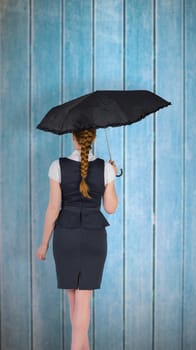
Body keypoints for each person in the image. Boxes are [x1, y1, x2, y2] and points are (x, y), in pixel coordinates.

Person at [36, 129, 118, 350]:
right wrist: (113, 174)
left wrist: (44, 243)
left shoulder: (56, 166)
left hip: (65, 237)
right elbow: (110, 208)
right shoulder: (106, 168)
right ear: (93, 139)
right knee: (82, 301)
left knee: (74, 300)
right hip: (94, 237)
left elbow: (53, 208)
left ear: (73, 137)